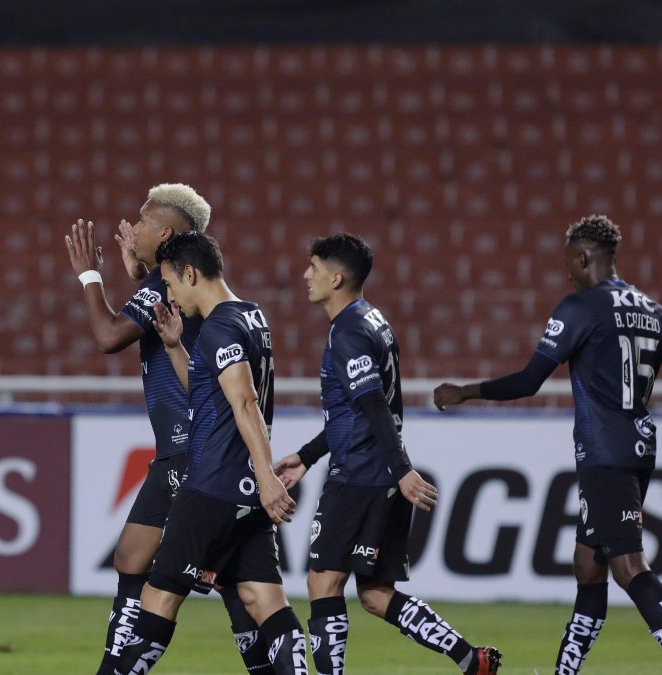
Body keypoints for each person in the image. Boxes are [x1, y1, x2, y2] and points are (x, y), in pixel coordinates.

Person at [433, 215, 662, 675]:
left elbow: (529, 380)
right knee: (588, 564)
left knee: (629, 568)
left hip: (605, 455)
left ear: (583, 257)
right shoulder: (656, 312)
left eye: (568, 264)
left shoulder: (580, 307)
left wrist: (465, 391)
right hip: (639, 452)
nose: (566, 273)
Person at [64, 184, 274, 674]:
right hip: (191, 448)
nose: (131, 229)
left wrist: (89, 275)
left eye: (141, 223)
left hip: (191, 448)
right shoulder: (176, 280)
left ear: (165, 232)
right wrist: (139, 272)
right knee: (218, 577)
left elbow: (109, 336)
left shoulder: (165, 285)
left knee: (155, 568)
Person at [274, 233, 502, 675]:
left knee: (323, 583)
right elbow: (353, 412)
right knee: (376, 595)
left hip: (361, 475)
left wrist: (400, 470)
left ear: (336, 278)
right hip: (376, 469)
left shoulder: (349, 331)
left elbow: (374, 404)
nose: (306, 276)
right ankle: (470, 659)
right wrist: (307, 455)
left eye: (314, 268)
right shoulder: (373, 319)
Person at [115, 231, 309, 675]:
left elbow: (244, 402)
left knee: (157, 602)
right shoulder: (250, 316)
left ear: (190, 272)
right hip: (243, 494)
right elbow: (209, 393)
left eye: (169, 283)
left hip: (213, 487)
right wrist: (173, 346)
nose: (168, 294)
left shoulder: (219, 327)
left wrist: (267, 476)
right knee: (264, 602)